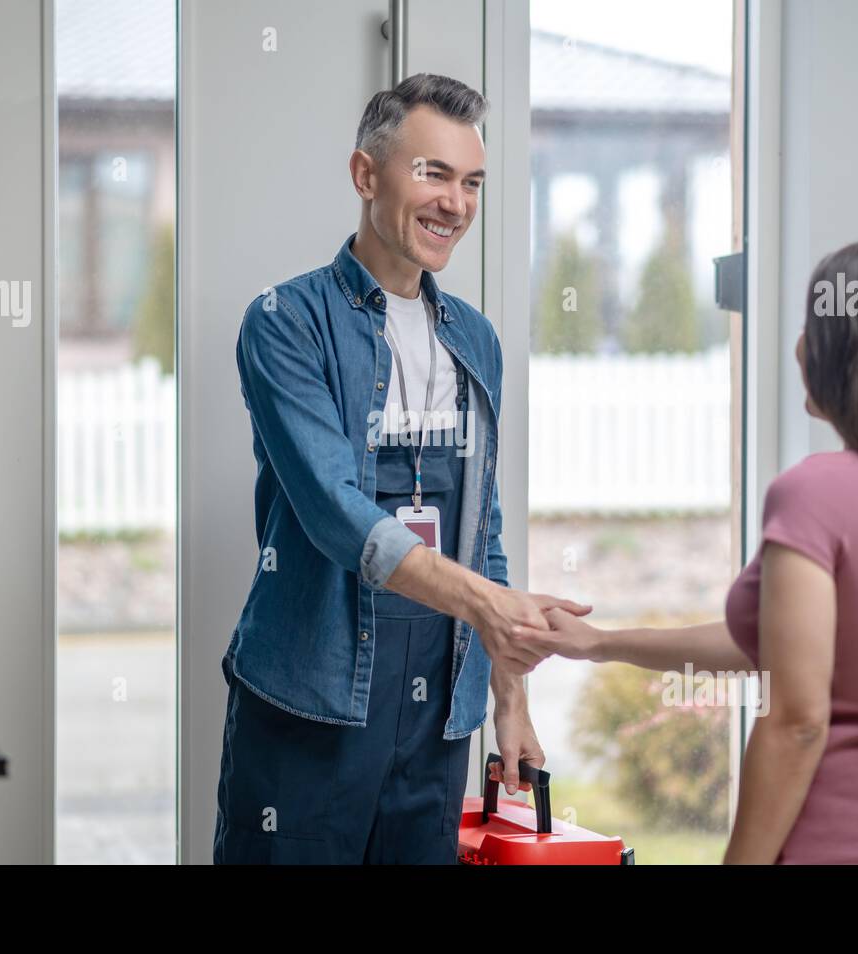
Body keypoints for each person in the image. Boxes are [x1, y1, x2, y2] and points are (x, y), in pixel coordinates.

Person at [522, 237, 858, 864]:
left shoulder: (815, 492)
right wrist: (600, 643)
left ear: (856, 352)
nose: (800, 345)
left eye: (813, 326)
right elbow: (777, 647)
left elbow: (798, 721)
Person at [213, 73, 589, 865]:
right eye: (433, 173)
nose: (456, 202)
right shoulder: (286, 324)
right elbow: (331, 510)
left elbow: (479, 526)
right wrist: (490, 602)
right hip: (309, 704)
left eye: (472, 182)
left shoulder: (476, 340)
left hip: (433, 718)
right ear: (365, 175)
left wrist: (506, 700)